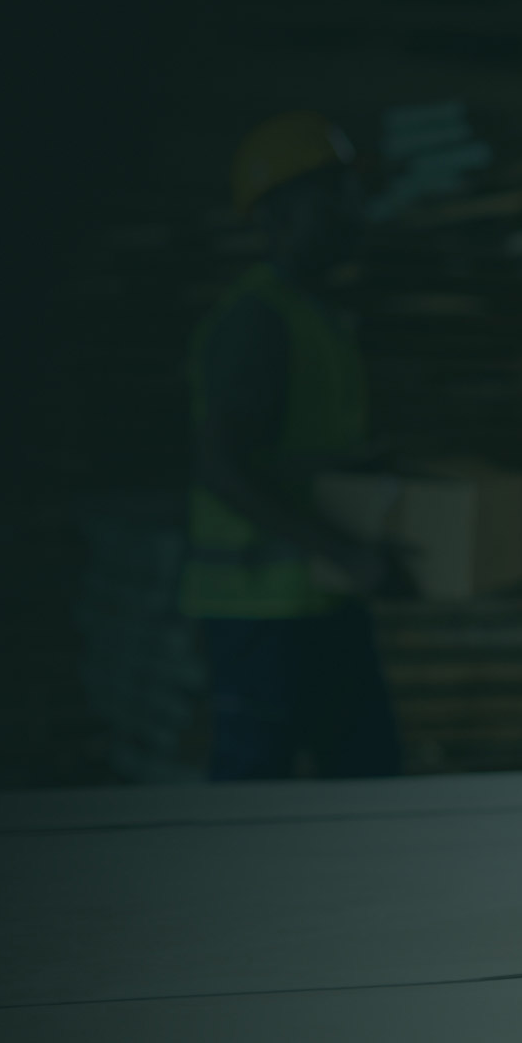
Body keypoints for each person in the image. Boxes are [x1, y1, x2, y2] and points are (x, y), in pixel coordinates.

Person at [180, 111, 403, 780]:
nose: (353, 210)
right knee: (256, 807)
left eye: (350, 191)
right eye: (332, 193)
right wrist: (343, 551)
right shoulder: (256, 321)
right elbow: (220, 465)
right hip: (262, 617)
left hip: (324, 600)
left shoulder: (317, 318)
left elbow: (295, 456)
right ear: (279, 210)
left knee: (369, 790)